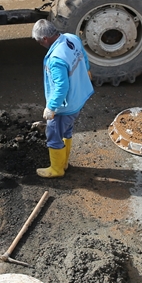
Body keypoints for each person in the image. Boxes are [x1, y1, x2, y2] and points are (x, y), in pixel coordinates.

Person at [32, 20, 93, 179]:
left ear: (45, 38)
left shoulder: (56, 59)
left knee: (53, 134)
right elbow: (83, 56)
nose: (39, 44)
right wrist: (86, 70)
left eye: (38, 41)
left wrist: (51, 107)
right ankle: (64, 162)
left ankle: (57, 169)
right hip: (78, 97)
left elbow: (61, 87)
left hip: (65, 106)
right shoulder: (71, 38)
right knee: (66, 130)